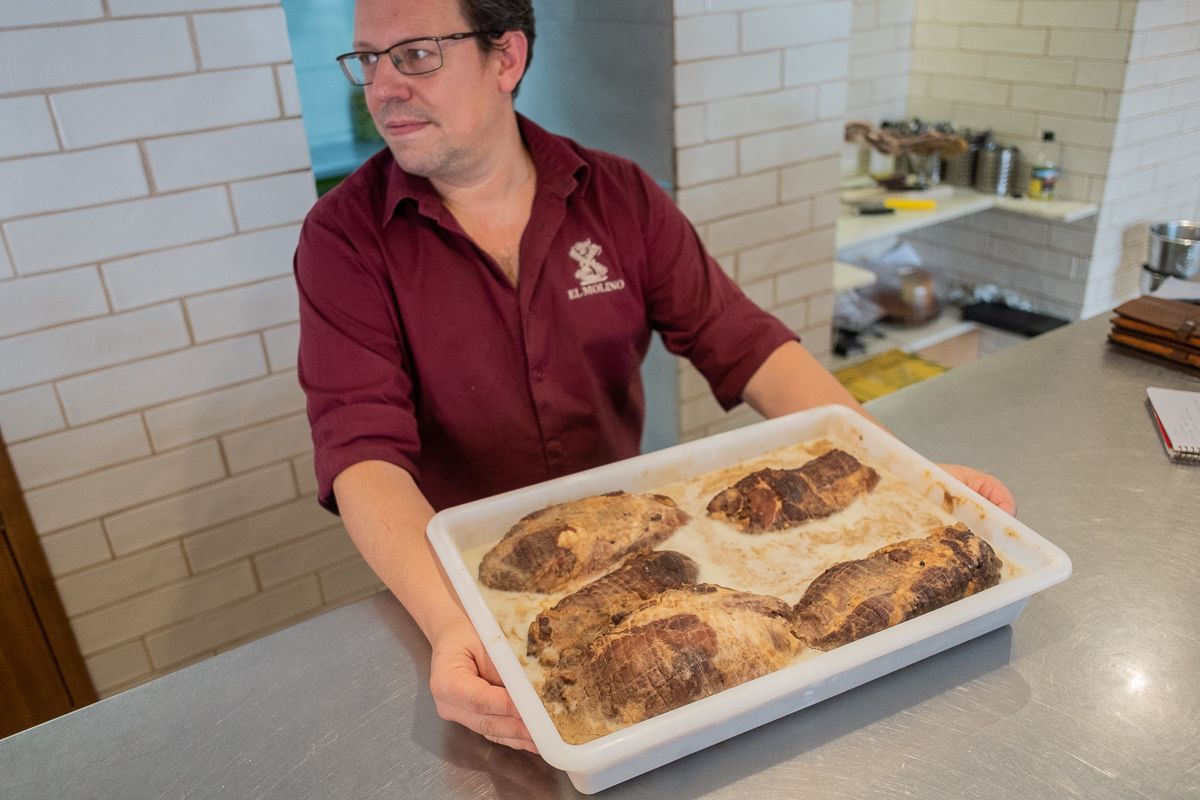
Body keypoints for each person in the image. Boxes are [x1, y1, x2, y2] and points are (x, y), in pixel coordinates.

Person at [294, 0, 1016, 755]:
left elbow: (748, 344)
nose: (381, 88)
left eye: (413, 55)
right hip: (466, 591)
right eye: (367, 60)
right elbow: (361, 451)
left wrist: (903, 475)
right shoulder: (343, 238)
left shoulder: (618, 197)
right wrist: (455, 623)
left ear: (505, 58)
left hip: (635, 561)